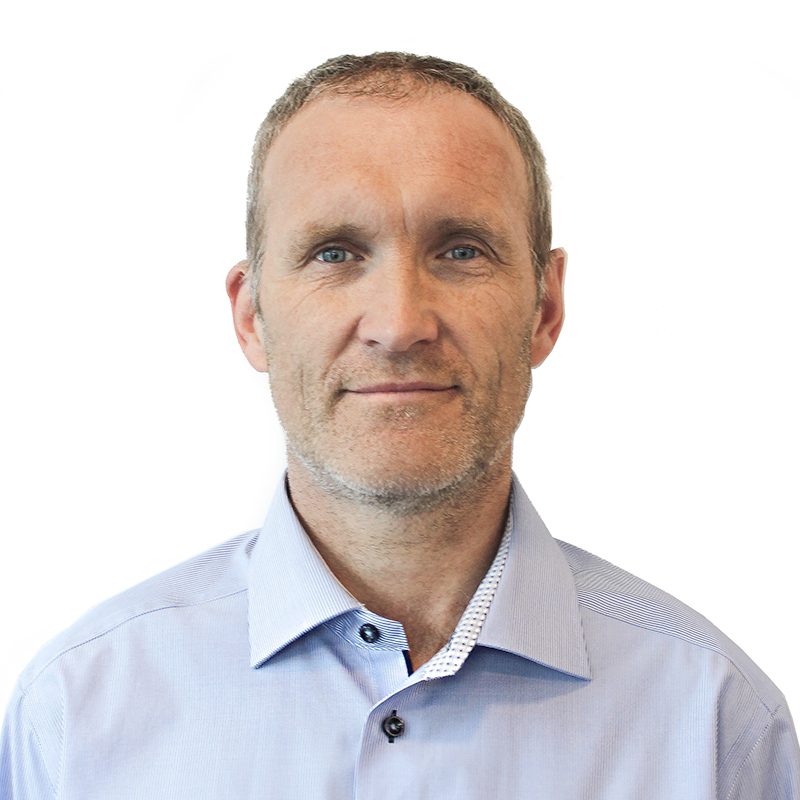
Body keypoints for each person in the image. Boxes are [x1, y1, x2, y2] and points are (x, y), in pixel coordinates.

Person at [1, 51, 798, 800]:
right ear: (251, 318)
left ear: (545, 308)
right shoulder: (73, 719)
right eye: (335, 253)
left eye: (461, 251)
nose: (399, 324)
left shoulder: (717, 724)